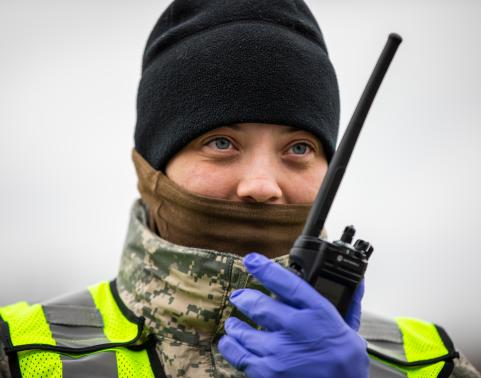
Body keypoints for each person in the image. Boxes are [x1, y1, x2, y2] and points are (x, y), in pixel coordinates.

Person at [0, 0, 480, 377]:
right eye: (222, 142)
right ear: (150, 168)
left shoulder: (431, 364)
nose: (261, 186)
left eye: (298, 149)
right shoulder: (20, 355)